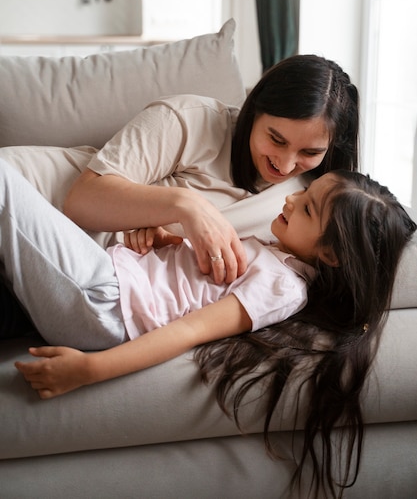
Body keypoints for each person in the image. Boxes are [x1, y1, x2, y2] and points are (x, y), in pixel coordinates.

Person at [3, 161, 416, 496]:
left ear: (330, 253)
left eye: (307, 207)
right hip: (108, 283)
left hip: (104, 301)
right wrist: (166, 241)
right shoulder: (275, 252)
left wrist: (88, 372)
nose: (290, 198)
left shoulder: (283, 287)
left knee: (5, 177)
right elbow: (196, 285)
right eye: (303, 193)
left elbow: (189, 330)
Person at [63, 54, 359, 284]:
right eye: (276, 139)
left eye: (310, 152)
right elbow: (80, 200)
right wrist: (186, 206)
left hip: (101, 277)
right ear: (254, 109)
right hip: (44, 206)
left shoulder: (313, 198)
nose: (285, 165)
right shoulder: (187, 120)